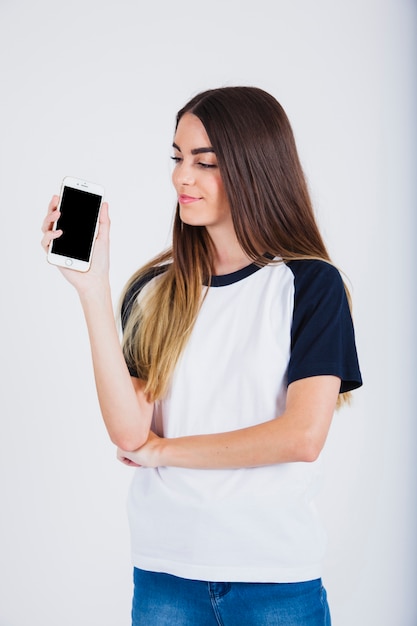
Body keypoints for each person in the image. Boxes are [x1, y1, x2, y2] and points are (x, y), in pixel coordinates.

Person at [41, 86, 362, 626]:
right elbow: (129, 434)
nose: (180, 177)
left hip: (273, 577)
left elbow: (302, 437)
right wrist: (93, 290)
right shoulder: (153, 289)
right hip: (166, 573)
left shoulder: (310, 285)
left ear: (254, 169)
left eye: (204, 162)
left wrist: (163, 451)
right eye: (177, 157)